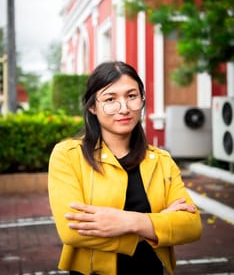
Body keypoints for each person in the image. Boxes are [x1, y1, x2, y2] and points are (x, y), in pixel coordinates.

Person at [48, 61, 202, 275]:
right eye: (110, 99)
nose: (124, 108)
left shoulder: (161, 160)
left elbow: (192, 225)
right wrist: (157, 224)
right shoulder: (68, 156)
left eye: (131, 96)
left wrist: (130, 221)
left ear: (141, 99)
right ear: (92, 106)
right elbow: (73, 232)